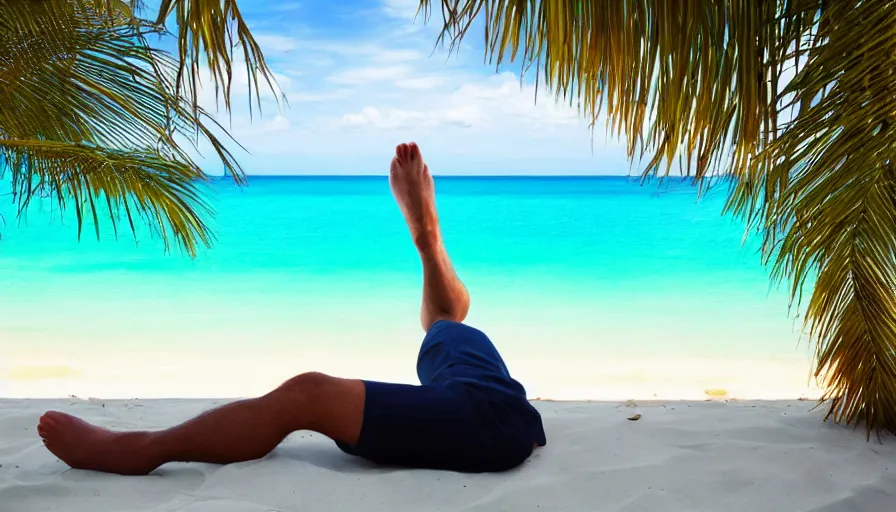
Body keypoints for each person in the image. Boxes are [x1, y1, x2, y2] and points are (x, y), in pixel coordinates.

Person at [36, 142, 547, 475]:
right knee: (446, 326)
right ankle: (428, 241)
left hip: (489, 418)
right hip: (490, 402)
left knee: (306, 395)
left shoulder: (487, 418)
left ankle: (142, 450)